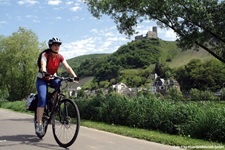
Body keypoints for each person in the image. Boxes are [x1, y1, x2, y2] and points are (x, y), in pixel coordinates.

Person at [36, 37, 78, 135]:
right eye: (55, 45)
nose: (57, 47)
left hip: (52, 78)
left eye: (58, 45)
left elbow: (67, 67)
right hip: (42, 78)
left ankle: (53, 107)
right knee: (42, 98)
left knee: (59, 85)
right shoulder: (45, 54)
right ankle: (39, 124)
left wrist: (75, 76)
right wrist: (44, 71)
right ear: (50, 46)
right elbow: (43, 63)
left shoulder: (60, 57)